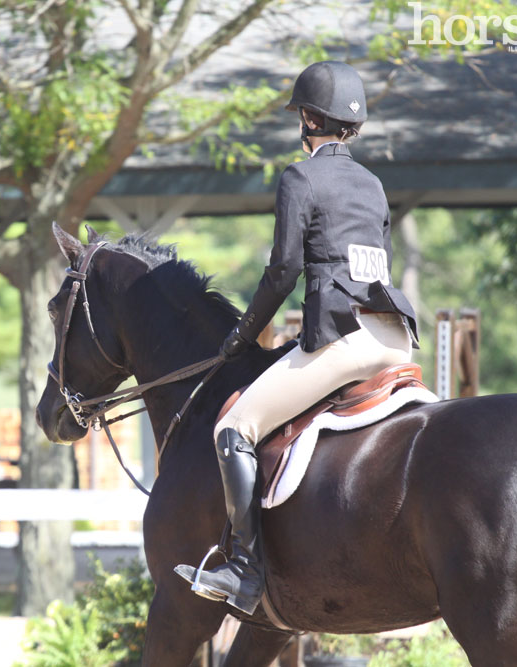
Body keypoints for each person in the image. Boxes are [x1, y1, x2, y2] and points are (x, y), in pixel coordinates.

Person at [175, 61, 419, 615]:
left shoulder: (300, 178)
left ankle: (244, 569)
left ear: (309, 118)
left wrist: (241, 334)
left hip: (345, 342)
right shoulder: (373, 184)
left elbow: (283, 271)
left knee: (234, 427)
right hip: (395, 338)